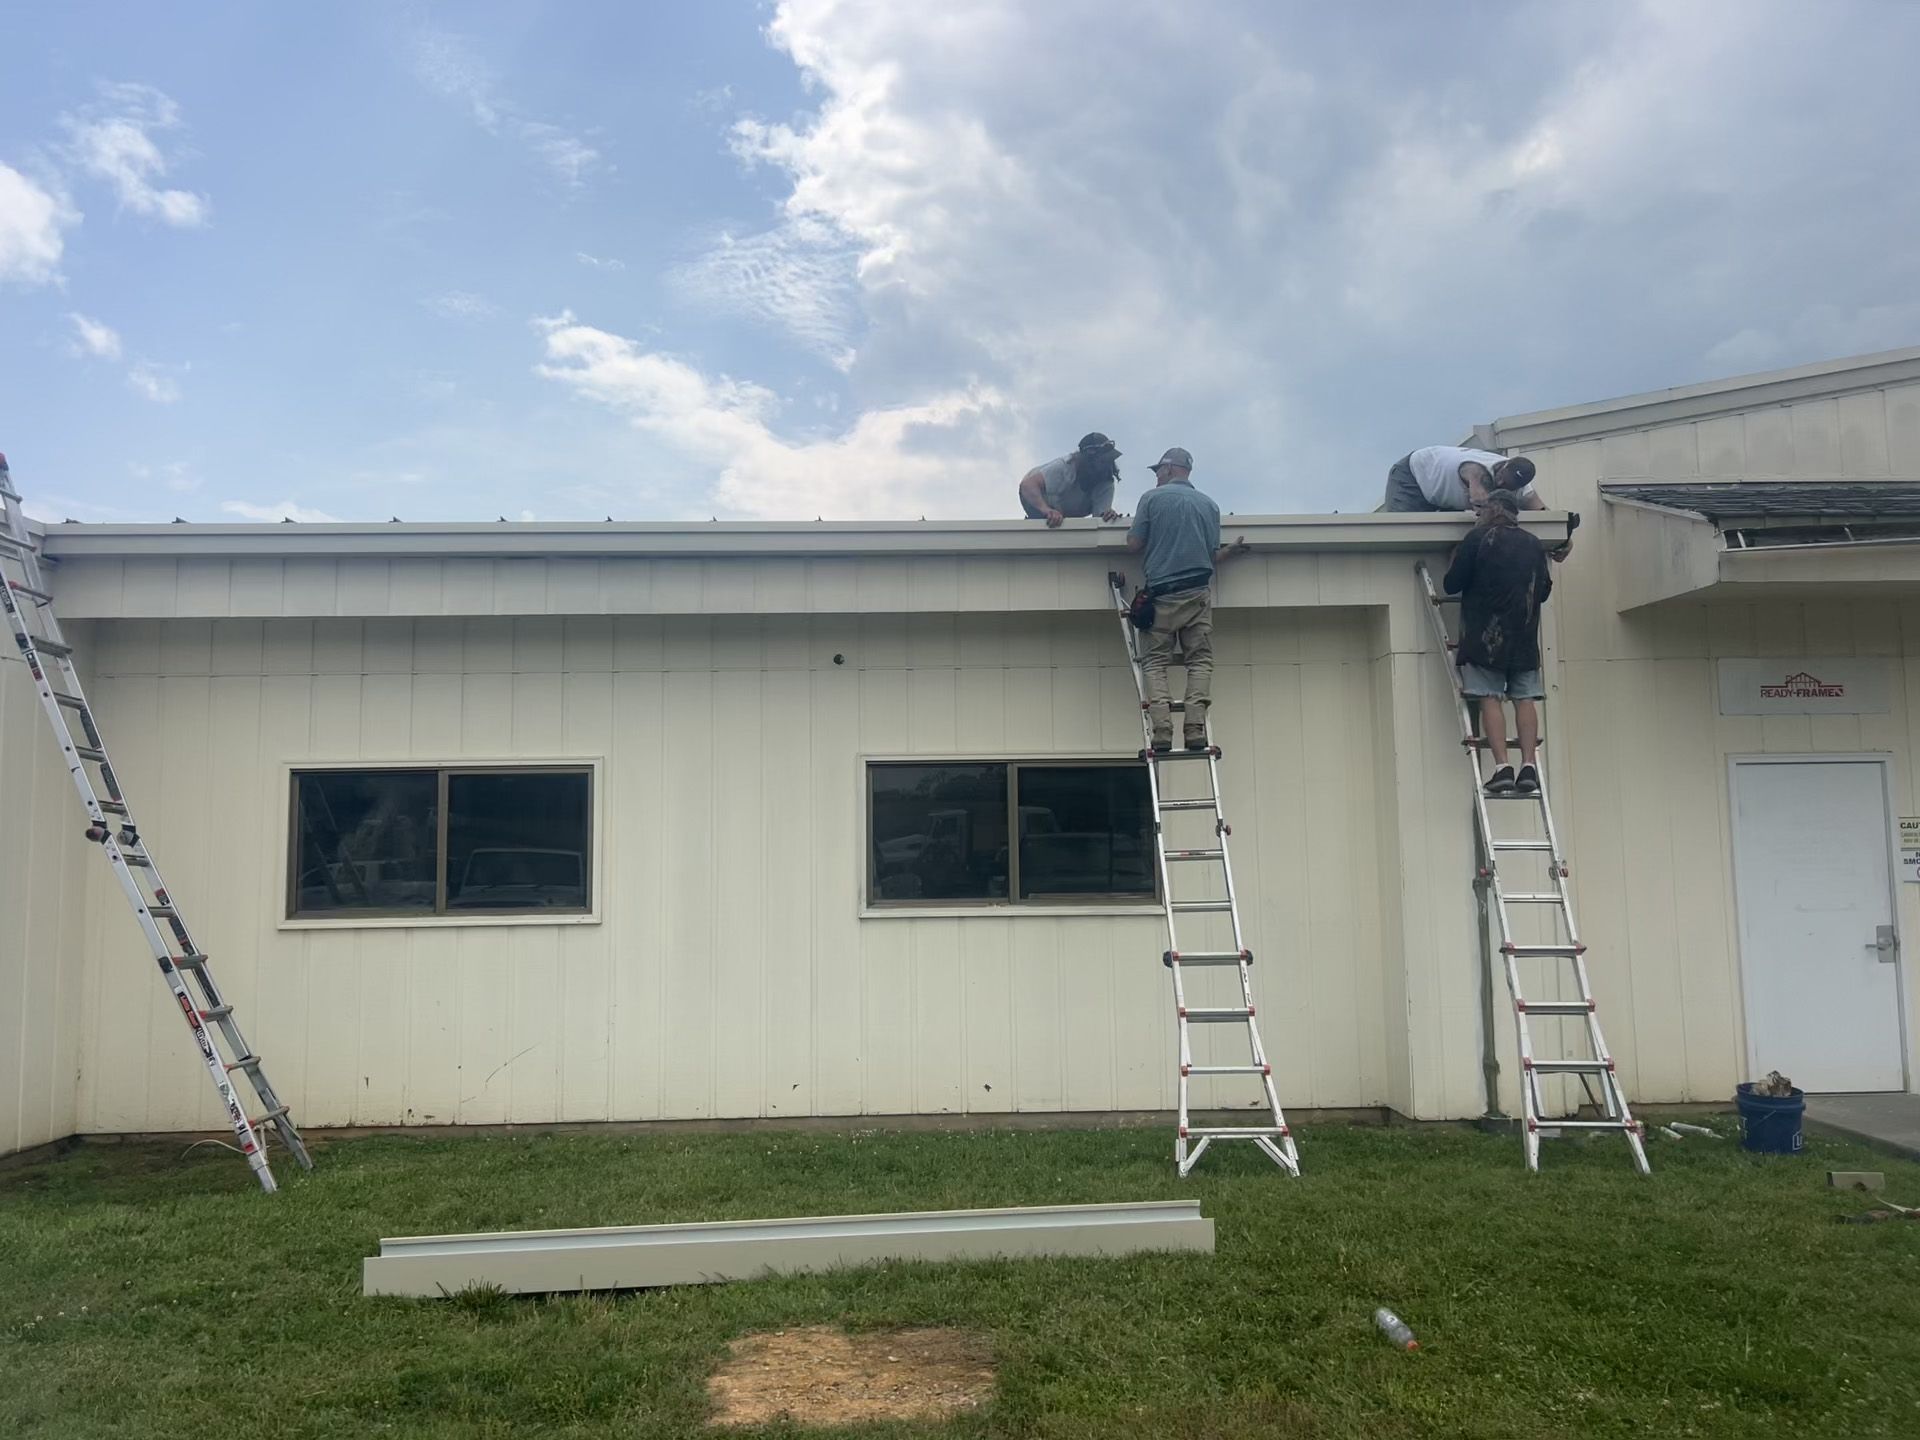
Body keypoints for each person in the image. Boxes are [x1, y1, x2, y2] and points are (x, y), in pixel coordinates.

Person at [1125, 447, 1245, 753]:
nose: (1155, 476)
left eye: (1157, 471)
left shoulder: (1151, 499)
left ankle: (1162, 731)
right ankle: (1194, 729)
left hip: (1162, 594)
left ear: (1168, 468)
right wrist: (1230, 552)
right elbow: (1210, 556)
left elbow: (1134, 544)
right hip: (1197, 594)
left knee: (1154, 661)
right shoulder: (1209, 505)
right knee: (1200, 661)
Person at [1443, 488, 1553, 796]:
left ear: (1490, 511)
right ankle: (1529, 764)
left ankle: (1502, 767)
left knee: (1490, 697)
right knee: (1524, 699)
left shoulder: (1478, 540)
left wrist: (1455, 557)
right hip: (1524, 639)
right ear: (1514, 513)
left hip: (1485, 638)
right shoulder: (1533, 544)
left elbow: (1451, 584)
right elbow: (1543, 591)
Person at [1020, 432, 1123, 527]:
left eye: (1109, 461)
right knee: (1050, 523)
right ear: (1089, 459)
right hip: (1033, 497)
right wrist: (1047, 510)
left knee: (1060, 525)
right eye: (1102, 461)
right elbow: (1027, 486)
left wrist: (1108, 514)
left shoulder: (1106, 482)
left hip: (1063, 511)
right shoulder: (1065, 468)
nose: (1106, 466)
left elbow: (1100, 519)